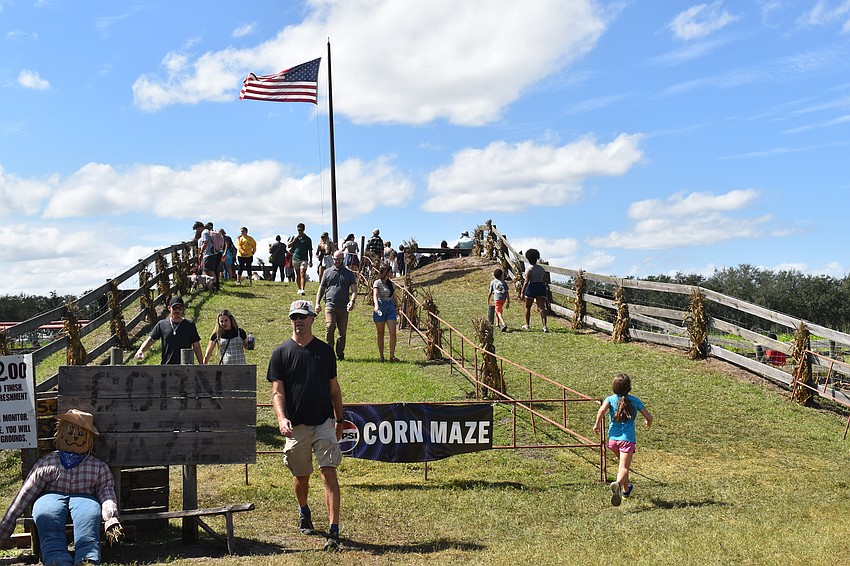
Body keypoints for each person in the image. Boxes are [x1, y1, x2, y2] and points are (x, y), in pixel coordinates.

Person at [267, 300, 344, 551]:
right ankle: (304, 510)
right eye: (294, 317)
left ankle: (334, 530)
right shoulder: (280, 353)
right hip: (296, 425)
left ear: (312, 318)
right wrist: (281, 418)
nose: (298, 320)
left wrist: (339, 420)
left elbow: (334, 389)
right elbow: (277, 392)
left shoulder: (324, 351)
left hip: (323, 421)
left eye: (302, 316)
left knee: (328, 472)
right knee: (302, 477)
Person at [0, 410, 121, 566]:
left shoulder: (97, 467)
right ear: (60, 433)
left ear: (88, 439)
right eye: (70, 432)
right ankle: (56, 560)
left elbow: (106, 491)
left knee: (89, 516)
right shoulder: (47, 463)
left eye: (80, 434)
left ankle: (87, 559)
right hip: (50, 497)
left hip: (85, 498)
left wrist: (110, 516)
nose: (75, 438)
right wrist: (5, 527)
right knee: (46, 514)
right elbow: (26, 492)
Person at [593, 373, 653, 507]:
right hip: (627, 440)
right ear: (629, 387)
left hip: (612, 440)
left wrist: (596, 424)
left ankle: (626, 490)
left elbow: (601, 411)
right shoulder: (635, 401)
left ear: (614, 387)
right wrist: (648, 423)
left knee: (621, 465)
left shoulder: (610, 399)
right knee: (624, 467)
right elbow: (649, 417)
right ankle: (618, 485)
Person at [134, 296, 204, 364]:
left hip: (186, 367)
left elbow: (196, 346)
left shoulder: (189, 325)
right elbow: (151, 340)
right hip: (166, 368)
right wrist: (140, 350)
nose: (177, 310)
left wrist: (201, 365)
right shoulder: (162, 324)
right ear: (169, 308)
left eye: (180, 308)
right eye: (175, 308)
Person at [316, 250, 357, 361]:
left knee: (342, 332)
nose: (337, 261)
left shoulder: (349, 273)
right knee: (330, 327)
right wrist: (317, 303)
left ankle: (340, 353)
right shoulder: (327, 272)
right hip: (330, 305)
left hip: (344, 307)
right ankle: (329, 352)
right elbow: (322, 288)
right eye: (335, 259)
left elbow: (354, 289)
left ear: (343, 260)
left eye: (339, 259)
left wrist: (352, 301)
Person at [372, 264, 399, 362]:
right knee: (381, 333)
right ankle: (381, 356)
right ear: (386, 272)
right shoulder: (377, 283)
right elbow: (375, 294)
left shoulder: (391, 284)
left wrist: (397, 308)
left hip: (390, 307)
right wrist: (376, 305)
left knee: (393, 332)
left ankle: (392, 355)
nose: (392, 273)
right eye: (390, 272)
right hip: (380, 306)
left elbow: (394, 297)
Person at [520, 248, 549, 332]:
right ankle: (544, 326)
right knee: (542, 308)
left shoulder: (529, 269)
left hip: (531, 287)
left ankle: (527, 324)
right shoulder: (541, 269)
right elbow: (544, 279)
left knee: (527, 307)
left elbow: (526, 281)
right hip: (540, 286)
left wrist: (522, 292)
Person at [288, 223, 313, 295]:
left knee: (302, 273)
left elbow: (310, 250)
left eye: (301, 230)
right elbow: (289, 246)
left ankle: (302, 289)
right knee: (297, 274)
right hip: (295, 258)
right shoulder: (295, 238)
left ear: (304, 230)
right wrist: (294, 240)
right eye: (299, 230)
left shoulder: (308, 239)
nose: (300, 232)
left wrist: (311, 260)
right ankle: (299, 288)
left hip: (304, 259)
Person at [488, 268, 510, 332]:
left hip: (497, 299)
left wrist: (488, 300)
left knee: (498, 312)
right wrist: (508, 302)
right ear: (501, 275)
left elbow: (490, 292)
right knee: (499, 310)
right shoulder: (504, 283)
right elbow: (507, 293)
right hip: (503, 299)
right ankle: (497, 324)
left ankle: (503, 324)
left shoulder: (493, 282)